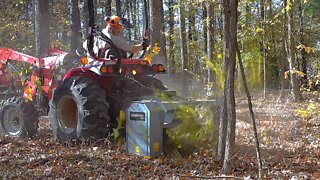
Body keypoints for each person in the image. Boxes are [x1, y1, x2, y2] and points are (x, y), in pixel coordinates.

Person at [84, 15, 149, 59]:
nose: (120, 31)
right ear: (111, 27)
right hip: (109, 66)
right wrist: (143, 46)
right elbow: (133, 49)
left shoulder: (98, 36)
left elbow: (85, 45)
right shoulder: (112, 39)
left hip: (94, 65)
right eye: (119, 29)